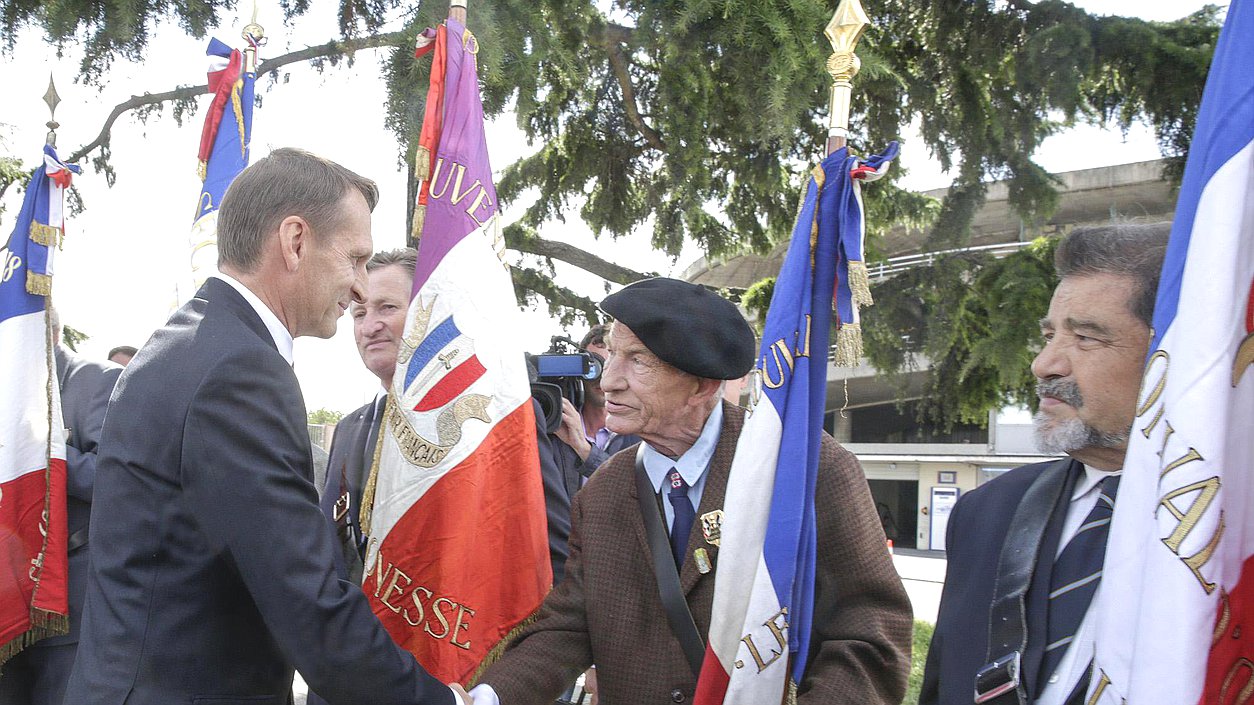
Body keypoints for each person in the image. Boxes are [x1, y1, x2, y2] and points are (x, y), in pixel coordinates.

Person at [63, 149, 468, 705]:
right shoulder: (239, 370)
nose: (357, 287)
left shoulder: (190, 342)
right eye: (354, 258)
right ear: (295, 241)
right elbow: (307, 603)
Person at [470, 277, 913, 705]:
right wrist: (482, 700)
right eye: (612, 357)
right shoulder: (603, 493)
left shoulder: (804, 471)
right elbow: (568, 628)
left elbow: (869, 633)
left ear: (702, 385)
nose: (608, 382)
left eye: (637, 360)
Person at [920, 222, 1171, 705]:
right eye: (1050, 334)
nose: (1044, 364)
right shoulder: (987, 512)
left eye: (1087, 338)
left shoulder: (1235, 532)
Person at [0, 310, 121, 705]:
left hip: (67, 602)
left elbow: (118, 481)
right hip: (7, 595)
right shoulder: (8, 391)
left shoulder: (99, 382)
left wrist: (46, 455)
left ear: (48, 335)